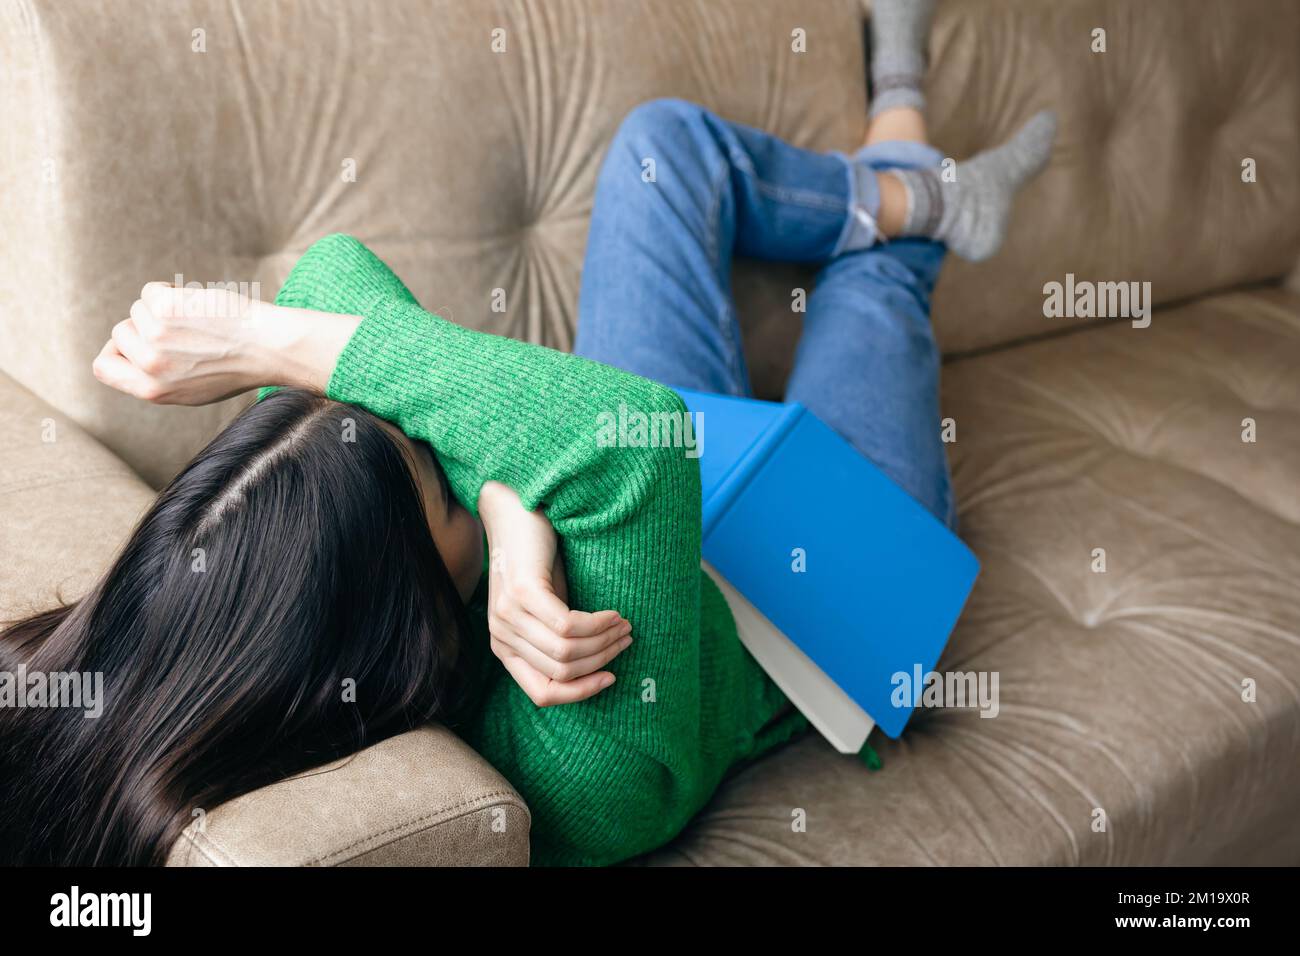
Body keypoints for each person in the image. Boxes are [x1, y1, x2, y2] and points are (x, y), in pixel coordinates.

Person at [0, 0, 1054, 866]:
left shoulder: (323, 592)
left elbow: (334, 270)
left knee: (660, 146)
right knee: (868, 292)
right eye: (444, 485)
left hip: (669, 487)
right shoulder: (570, 763)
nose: (453, 455)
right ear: (406, 619)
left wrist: (503, 514)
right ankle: (911, 136)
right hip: (824, 581)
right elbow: (635, 441)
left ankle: (908, 192)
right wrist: (262, 335)